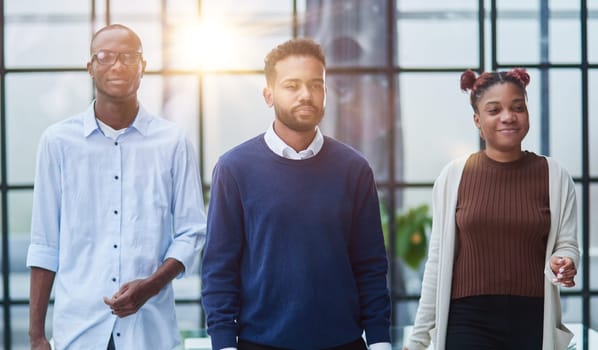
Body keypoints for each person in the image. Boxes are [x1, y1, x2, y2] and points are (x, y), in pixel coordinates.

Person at [200, 38, 392, 350]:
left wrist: (380, 341)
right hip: (259, 343)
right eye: (292, 85)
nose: (307, 95)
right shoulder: (234, 169)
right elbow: (219, 268)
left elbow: (370, 264)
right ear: (268, 94)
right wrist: (223, 343)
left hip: (343, 343)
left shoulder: (354, 168)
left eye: (316, 85)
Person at [26, 24, 206, 350]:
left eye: (128, 57)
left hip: (150, 334)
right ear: (90, 67)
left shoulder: (173, 143)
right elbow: (44, 244)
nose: (118, 66)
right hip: (78, 334)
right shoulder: (57, 142)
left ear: (143, 67)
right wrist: (36, 335)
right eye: (106, 56)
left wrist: (151, 286)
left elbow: (191, 233)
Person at [403, 68, 580, 350]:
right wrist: (418, 340)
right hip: (467, 321)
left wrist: (565, 262)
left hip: (533, 319)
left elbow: (567, 244)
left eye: (518, 107)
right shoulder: (454, 176)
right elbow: (436, 263)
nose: (508, 116)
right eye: (494, 110)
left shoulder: (555, 176)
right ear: (477, 120)